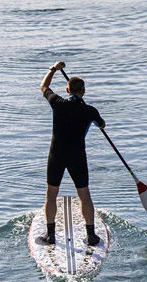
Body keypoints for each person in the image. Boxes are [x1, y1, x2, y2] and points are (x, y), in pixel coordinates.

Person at [39, 61, 106, 246]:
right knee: (84, 194)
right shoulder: (90, 111)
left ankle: (50, 235)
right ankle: (91, 235)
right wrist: (91, 115)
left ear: (67, 90)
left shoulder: (57, 103)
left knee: (51, 194)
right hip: (77, 156)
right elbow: (102, 125)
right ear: (83, 92)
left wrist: (53, 68)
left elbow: (43, 86)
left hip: (57, 155)